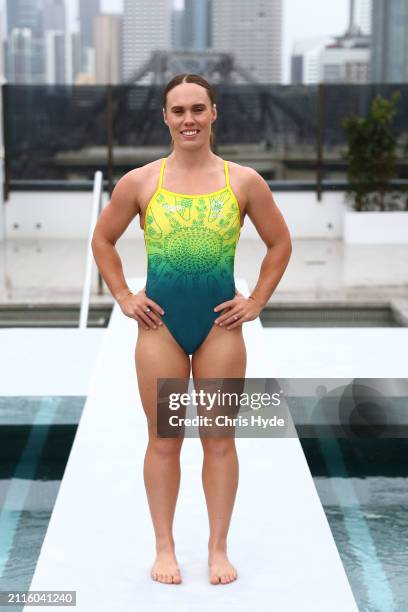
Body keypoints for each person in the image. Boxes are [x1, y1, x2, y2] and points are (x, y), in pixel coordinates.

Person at [91, 73, 292, 586]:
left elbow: (280, 243)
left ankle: (217, 548)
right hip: (160, 328)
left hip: (219, 329)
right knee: (164, 440)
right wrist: (124, 296)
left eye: (197, 109)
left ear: (213, 113)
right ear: (164, 117)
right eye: (178, 111)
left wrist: (256, 301)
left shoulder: (242, 181)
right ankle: (164, 548)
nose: (189, 120)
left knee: (220, 440)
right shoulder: (140, 182)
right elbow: (103, 240)